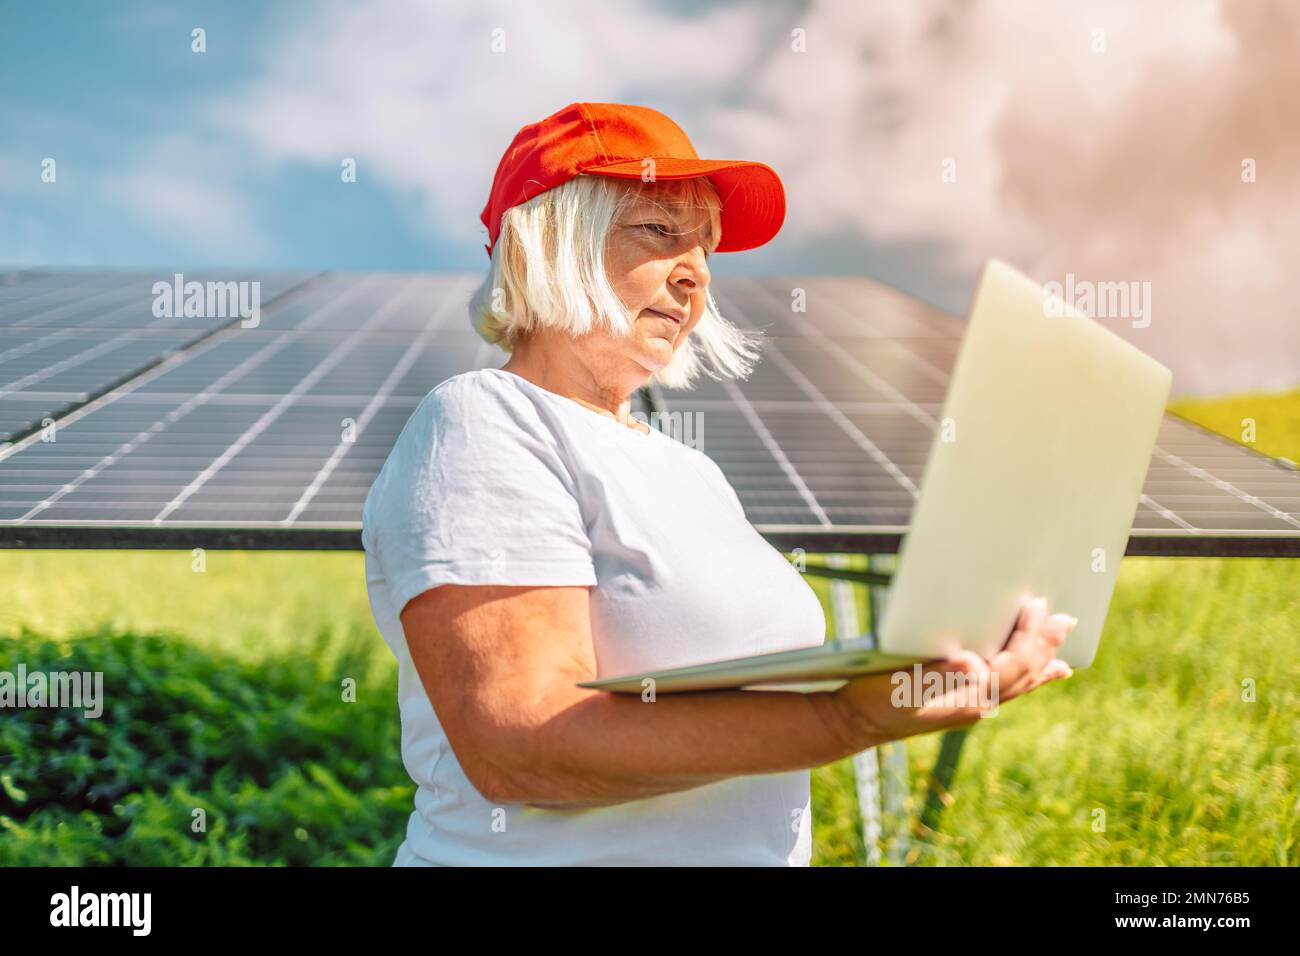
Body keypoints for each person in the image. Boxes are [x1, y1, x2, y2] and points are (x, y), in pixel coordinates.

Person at [362, 102, 1075, 866]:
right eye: (658, 231)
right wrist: (848, 721)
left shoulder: (689, 469)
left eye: (705, 244)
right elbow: (522, 744)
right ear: (547, 245)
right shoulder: (482, 421)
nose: (696, 270)